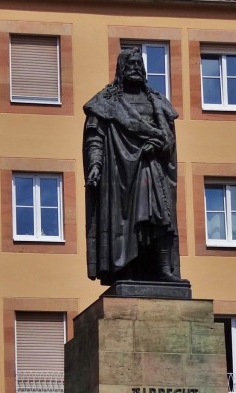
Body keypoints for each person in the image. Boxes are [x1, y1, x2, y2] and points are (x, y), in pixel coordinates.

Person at [83, 48, 182, 285]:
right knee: (123, 220)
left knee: (160, 216)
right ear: (121, 68)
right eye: (131, 64)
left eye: (140, 64)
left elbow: (169, 139)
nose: (136, 68)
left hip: (151, 168)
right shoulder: (106, 102)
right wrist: (95, 165)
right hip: (119, 174)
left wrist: (158, 145)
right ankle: (123, 269)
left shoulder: (157, 102)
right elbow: (94, 136)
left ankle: (162, 269)